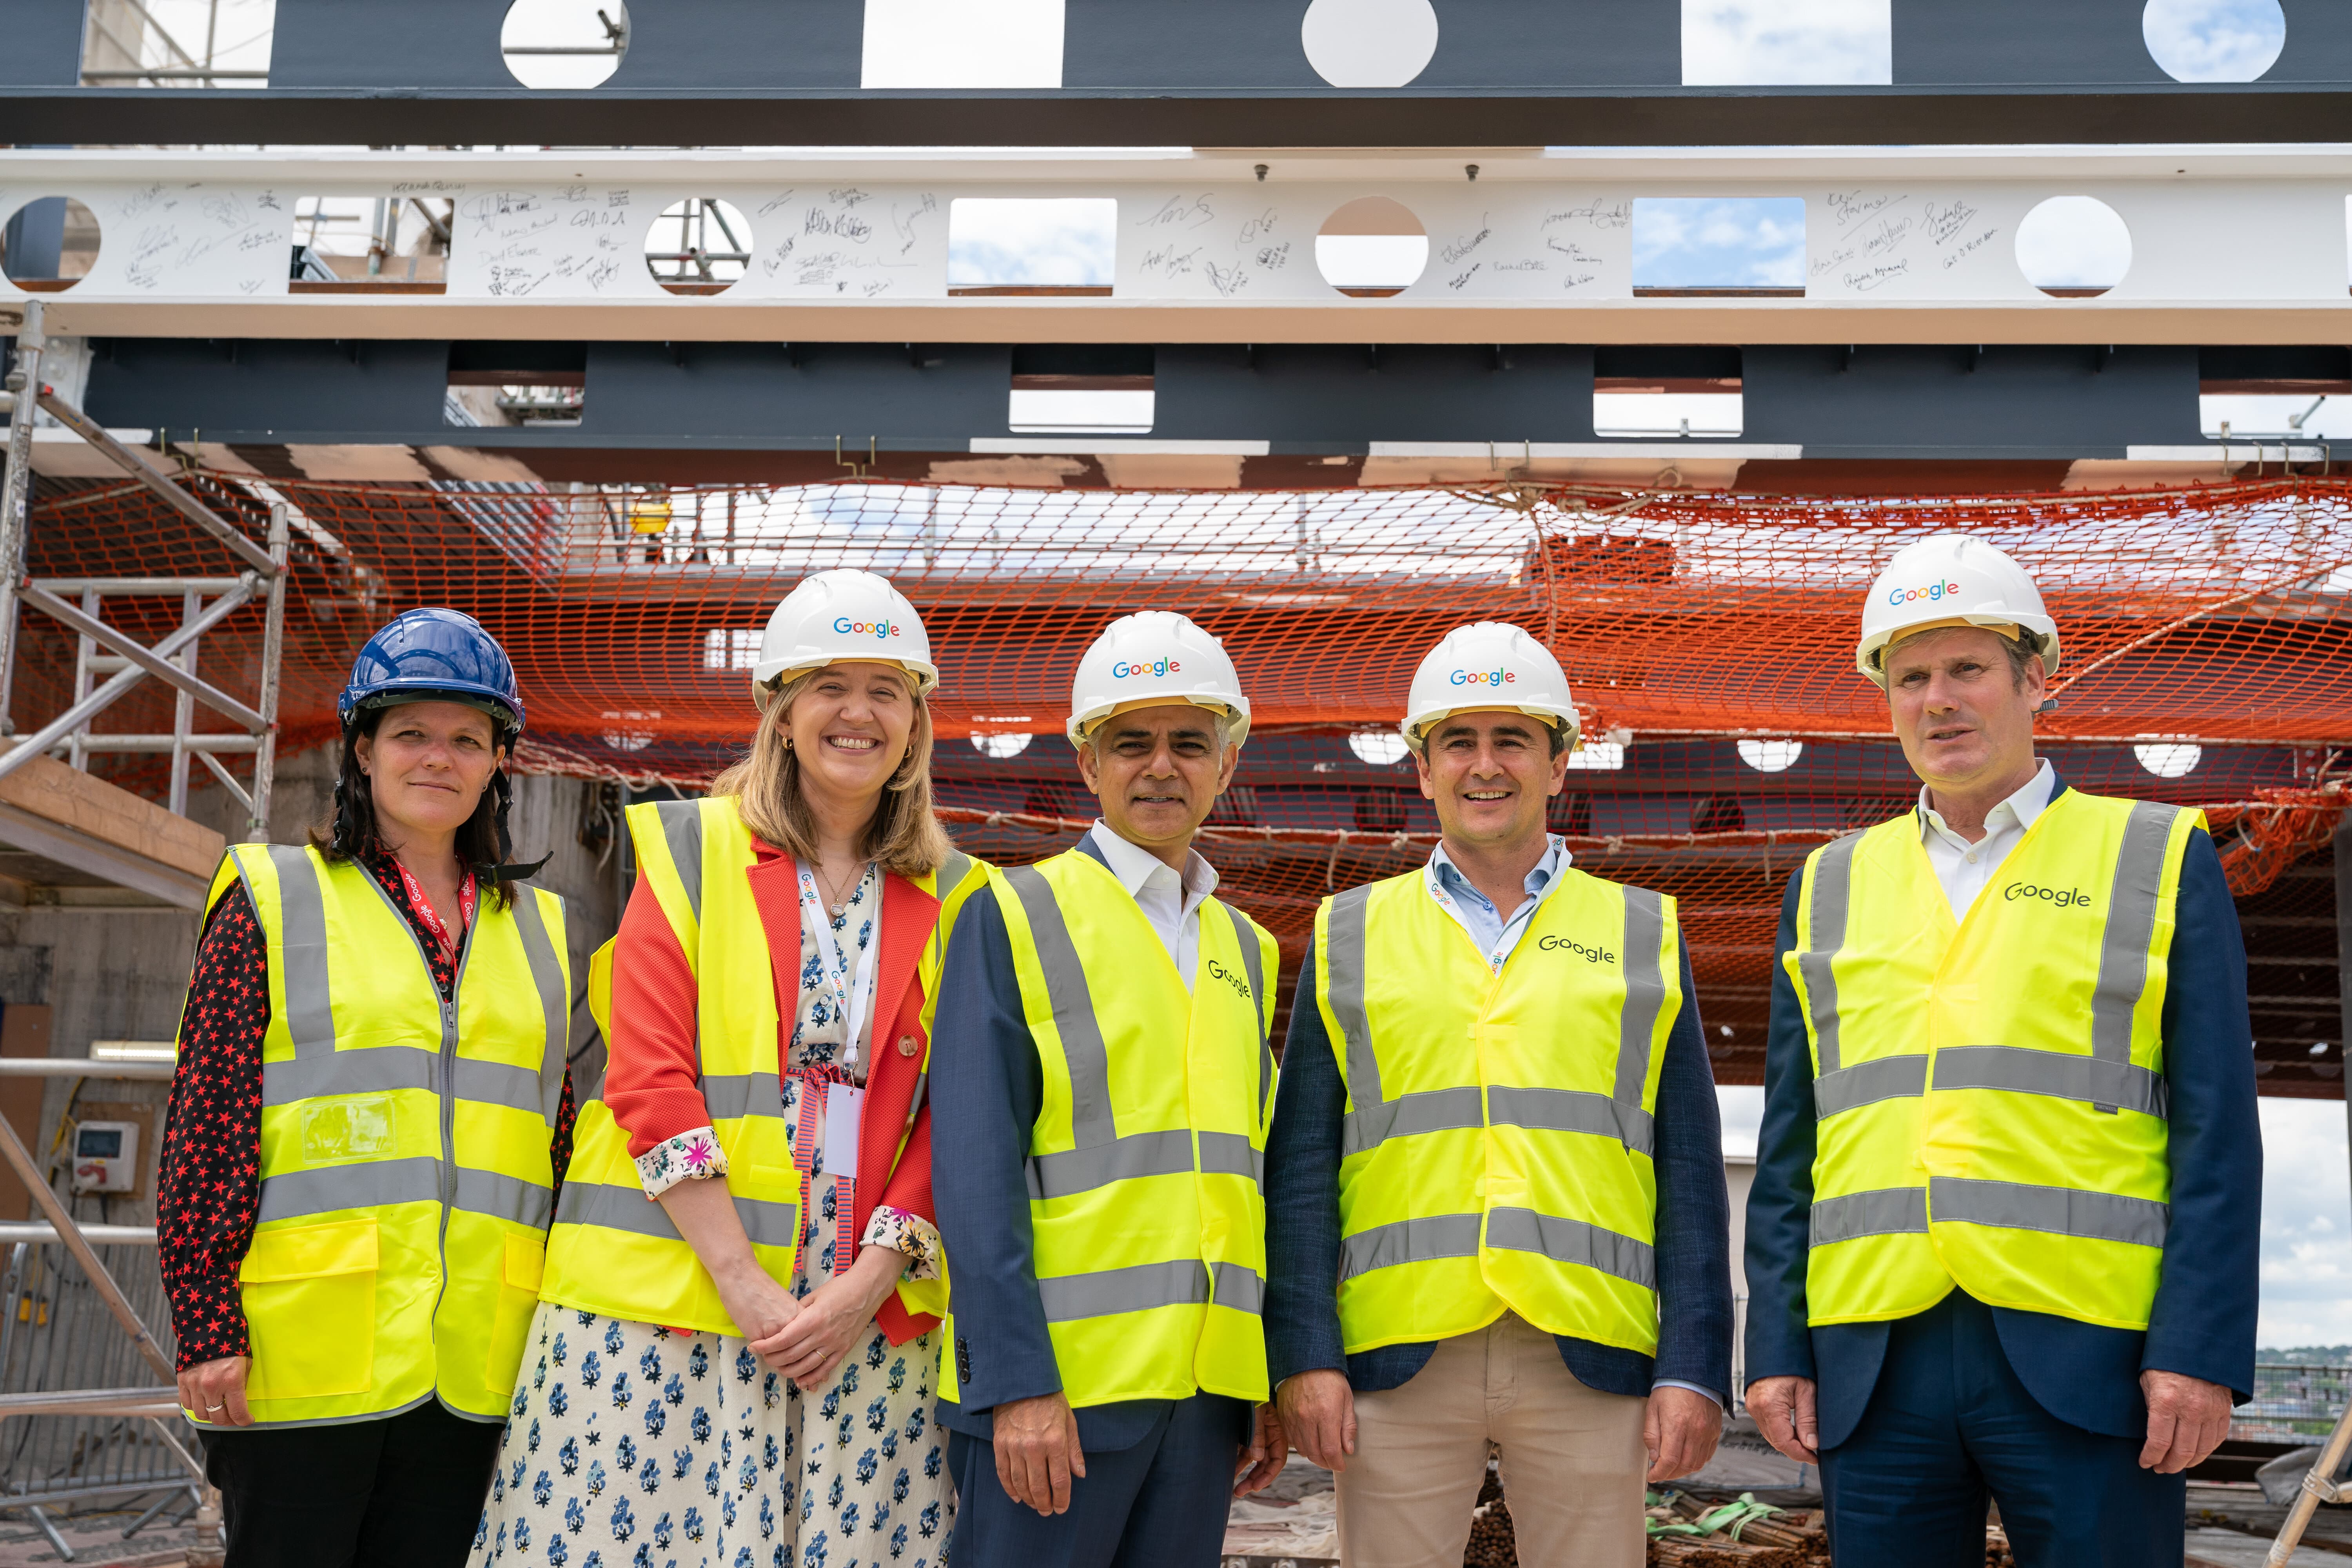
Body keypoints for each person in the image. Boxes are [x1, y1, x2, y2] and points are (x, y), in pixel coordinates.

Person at [1743, 534, 2261, 1568]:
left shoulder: (2156, 854)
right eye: (1911, 678)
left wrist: (2198, 1350)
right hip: (1872, 1353)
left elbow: (2216, 1132)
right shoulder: (1829, 883)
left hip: (2093, 1351)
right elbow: (1794, 1140)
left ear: (2036, 680)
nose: (1939, 700)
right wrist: (1775, 1348)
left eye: (1968, 669)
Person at [478, 570, 989, 1568]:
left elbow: (959, 1108)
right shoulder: (693, 847)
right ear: (781, 712)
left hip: (861, 1317)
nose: (858, 712)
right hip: (671, 1300)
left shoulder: (963, 891)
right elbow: (648, 1072)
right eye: (829, 685)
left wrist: (865, 1284)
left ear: (917, 722)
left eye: (886, 690)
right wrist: (746, 1284)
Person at [1262, 621, 1730, 1568]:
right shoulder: (1350, 932)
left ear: (1558, 764)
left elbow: (1686, 1165)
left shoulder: (1640, 930)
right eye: (1459, 742)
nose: (1485, 765)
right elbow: (1302, 1163)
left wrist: (1694, 1365)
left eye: (1512, 739)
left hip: (1588, 1350)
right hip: (1397, 1356)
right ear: (1423, 767)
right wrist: (1304, 1353)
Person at [160, 607, 574, 1567]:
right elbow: (208, 1120)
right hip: (301, 1360)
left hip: (477, 1367)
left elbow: (555, 1144)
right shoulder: (275, 895)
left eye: (466, 738)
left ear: (498, 760)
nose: (439, 757)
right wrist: (207, 1319)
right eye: (411, 732)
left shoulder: (543, 931)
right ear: (363, 748)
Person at [930, 610, 1288, 1568]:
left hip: (1205, 1398)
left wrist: (1257, 1376)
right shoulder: (1011, 911)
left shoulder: (1247, 948)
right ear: (1088, 762)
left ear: (1227, 761)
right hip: (1058, 1401)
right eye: (1132, 742)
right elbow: (974, 1169)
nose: (1161, 766)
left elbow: (1243, 1178)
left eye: (1190, 743)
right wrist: (1016, 1384)